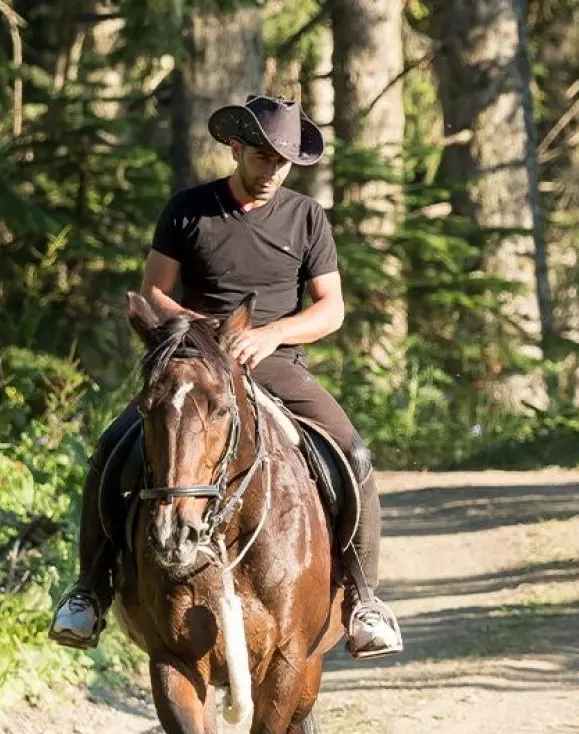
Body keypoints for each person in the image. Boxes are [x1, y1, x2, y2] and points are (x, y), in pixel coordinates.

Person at [49, 95, 403, 660]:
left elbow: (331, 309)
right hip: (195, 359)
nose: (272, 171)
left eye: (283, 163)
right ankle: (89, 590)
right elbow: (155, 290)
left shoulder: (306, 217)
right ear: (236, 148)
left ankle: (363, 599)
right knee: (113, 447)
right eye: (263, 157)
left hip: (274, 361)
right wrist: (200, 330)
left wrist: (271, 334)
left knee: (354, 453)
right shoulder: (189, 209)